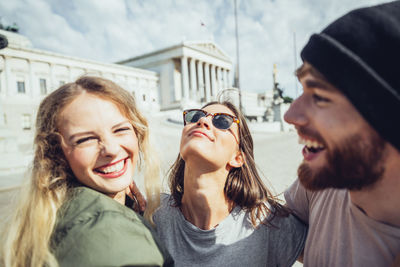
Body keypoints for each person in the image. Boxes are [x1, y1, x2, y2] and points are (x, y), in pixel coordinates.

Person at [1, 76, 173, 267]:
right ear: (56, 154)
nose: (111, 149)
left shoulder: (52, 213)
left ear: (137, 133)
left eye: (120, 130)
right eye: (85, 139)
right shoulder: (107, 230)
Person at [283, 1, 400, 266]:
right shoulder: (325, 180)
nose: (290, 115)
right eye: (302, 90)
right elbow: (280, 225)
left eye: (320, 96)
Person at [154, 101, 307, 266]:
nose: (203, 121)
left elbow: (328, 254)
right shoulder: (153, 212)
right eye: (195, 116)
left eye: (222, 122)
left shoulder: (263, 220)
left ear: (237, 158)